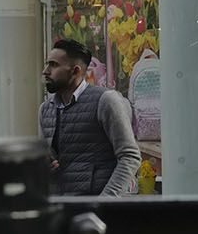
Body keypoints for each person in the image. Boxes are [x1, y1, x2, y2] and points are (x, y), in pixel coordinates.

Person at [39, 39, 142, 197]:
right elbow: (47, 157)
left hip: (100, 212)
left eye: (53, 65)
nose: (46, 71)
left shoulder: (106, 101)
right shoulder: (45, 109)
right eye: (47, 64)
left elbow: (130, 157)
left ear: (75, 71)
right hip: (62, 209)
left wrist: (105, 200)